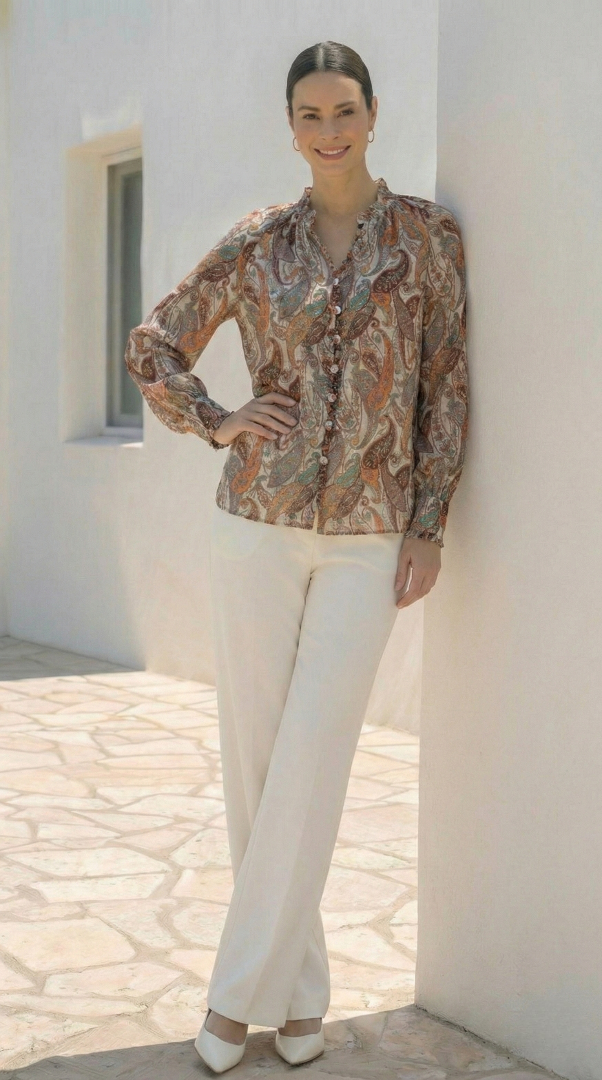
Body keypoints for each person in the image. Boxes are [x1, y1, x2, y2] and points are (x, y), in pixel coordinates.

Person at [125, 40, 468, 1074]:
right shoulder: (254, 242)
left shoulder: (427, 239)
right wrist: (217, 419)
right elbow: (154, 342)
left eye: (343, 109)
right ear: (289, 127)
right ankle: (300, 998)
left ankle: (234, 1004)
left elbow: (445, 384)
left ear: (373, 114)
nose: (329, 130)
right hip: (256, 525)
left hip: (370, 534)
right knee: (260, 768)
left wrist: (428, 522)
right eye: (310, 115)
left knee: (313, 760)